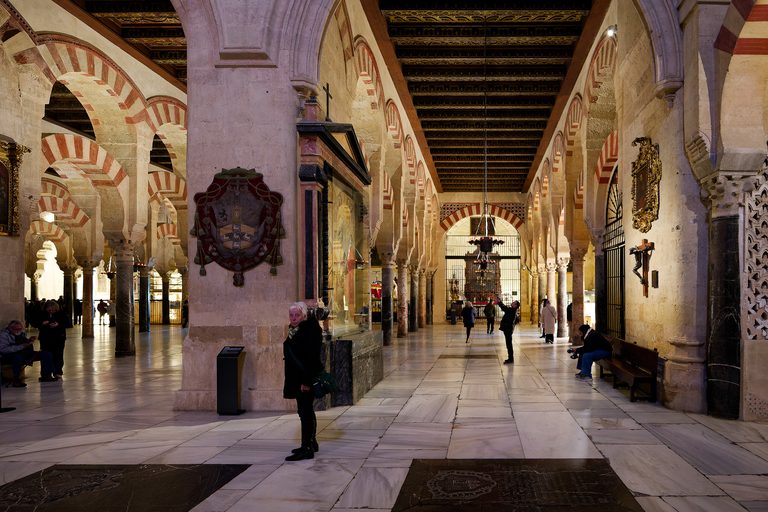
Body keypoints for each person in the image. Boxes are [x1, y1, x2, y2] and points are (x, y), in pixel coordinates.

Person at [283, 302, 323, 461]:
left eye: (297, 315)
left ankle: (307, 448)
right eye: (291, 315)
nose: (293, 318)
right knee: (305, 410)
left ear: (304, 316)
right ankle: (311, 443)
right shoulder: (296, 330)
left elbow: (311, 359)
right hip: (298, 378)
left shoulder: (309, 331)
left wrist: (306, 382)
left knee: (305, 411)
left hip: (304, 379)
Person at [0, 321, 57, 387]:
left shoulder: (20, 334)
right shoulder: (4, 336)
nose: (19, 331)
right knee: (17, 357)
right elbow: (4, 349)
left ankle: (46, 375)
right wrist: (22, 346)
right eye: (17, 329)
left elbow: (23, 342)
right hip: (10, 355)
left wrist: (29, 340)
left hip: (24, 353)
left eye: (20, 329)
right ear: (10, 328)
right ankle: (16, 379)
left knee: (46, 354)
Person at [38, 300, 67, 378]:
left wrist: (58, 325)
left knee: (58, 355)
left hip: (58, 338)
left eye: (51, 310)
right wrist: (43, 323)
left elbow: (67, 323)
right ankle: (46, 373)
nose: (50, 312)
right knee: (45, 355)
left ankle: (58, 372)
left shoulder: (61, 313)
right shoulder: (42, 314)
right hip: (45, 337)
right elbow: (36, 323)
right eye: (49, 310)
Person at [497, 298, 520, 364]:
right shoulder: (512, 309)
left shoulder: (512, 311)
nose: (512, 303)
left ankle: (511, 359)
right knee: (508, 344)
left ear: (515, 305)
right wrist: (500, 302)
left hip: (508, 329)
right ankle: (510, 358)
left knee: (509, 344)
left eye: (513, 302)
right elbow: (505, 308)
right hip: (507, 328)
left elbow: (504, 308)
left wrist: (500, 302)